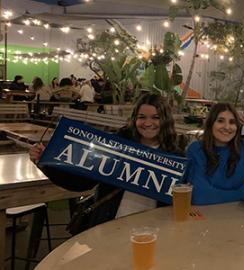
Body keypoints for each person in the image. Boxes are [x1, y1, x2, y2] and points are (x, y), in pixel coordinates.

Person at [29, 93, 185, 229]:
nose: (148, 123)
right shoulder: (115, 146)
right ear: (134, 119)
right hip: (112, 223)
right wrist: (45, 162)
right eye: (142, 117)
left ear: (165, 120)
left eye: (156, 117)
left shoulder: (176, 156)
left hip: (155, 229)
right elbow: (81, 182)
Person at [186, 103, 244, 205]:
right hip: (206, 217)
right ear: (211, 123)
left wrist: (216, 193)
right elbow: (199, 196)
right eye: (220, 121)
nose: (227, 127)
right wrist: (242, 192)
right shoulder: (196, 150)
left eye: (232, 122)